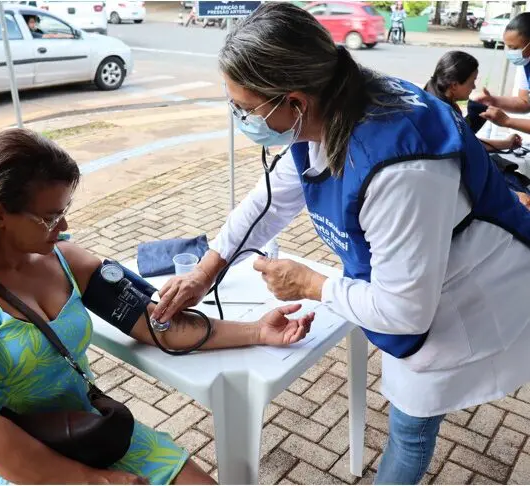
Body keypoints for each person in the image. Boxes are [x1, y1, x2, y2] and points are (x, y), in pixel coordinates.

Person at [154, 3, 530, 484]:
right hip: (417, 278)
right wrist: (206, 271)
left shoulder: (401, 170)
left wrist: (312, 283)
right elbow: (268, 203)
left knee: (411, 429)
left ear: (293, 100)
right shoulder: (329, 107)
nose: (239, 118)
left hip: (472, 289)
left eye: (244, 108)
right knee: (409, 415)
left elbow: (404, 312)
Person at [0, 129, 314, 485]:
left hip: (90, 431)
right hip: (9, 458)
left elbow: (155, 324)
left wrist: (258, 332)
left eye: (65, 210)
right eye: (49, 217)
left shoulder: (67, 260)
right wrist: (93, 481)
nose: (62, 226)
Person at [424, 51, 530, 207]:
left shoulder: (437, 98)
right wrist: (511, 194)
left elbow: (466, 142)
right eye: (472, 81)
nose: (474, 86)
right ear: (454, 85)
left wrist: (505, 143)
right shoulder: (442, 116)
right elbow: (463, 156)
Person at [474, 12, 530, 131]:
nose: (510, 52)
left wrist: (507, 121)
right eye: (508, 47)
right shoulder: (526, 63)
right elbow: (525, 102)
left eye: (514, 48)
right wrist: (493, 101)